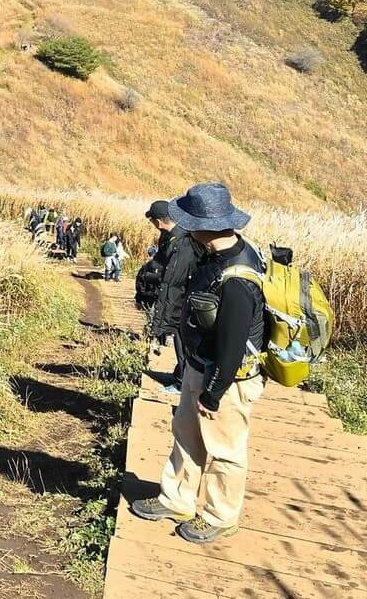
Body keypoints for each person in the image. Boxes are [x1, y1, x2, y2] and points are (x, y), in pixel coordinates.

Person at [129, 183, 265, 546]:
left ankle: (220, 516)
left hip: (227, 379)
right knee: (186, 433)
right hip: (198, 365)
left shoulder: (238, 276)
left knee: (225, 450)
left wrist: (214, 393)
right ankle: (177, 499)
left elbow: (233, 346)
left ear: (205, 225)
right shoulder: (213, 255)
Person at [144, 199, 200, 397]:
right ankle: (179, 375)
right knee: (180, 341)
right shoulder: (176, 236)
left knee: (182, 343)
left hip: (184, 303)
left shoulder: (182, 242)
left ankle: (182, 385)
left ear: (159, 221)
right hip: (183, 300)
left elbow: (174, 280)